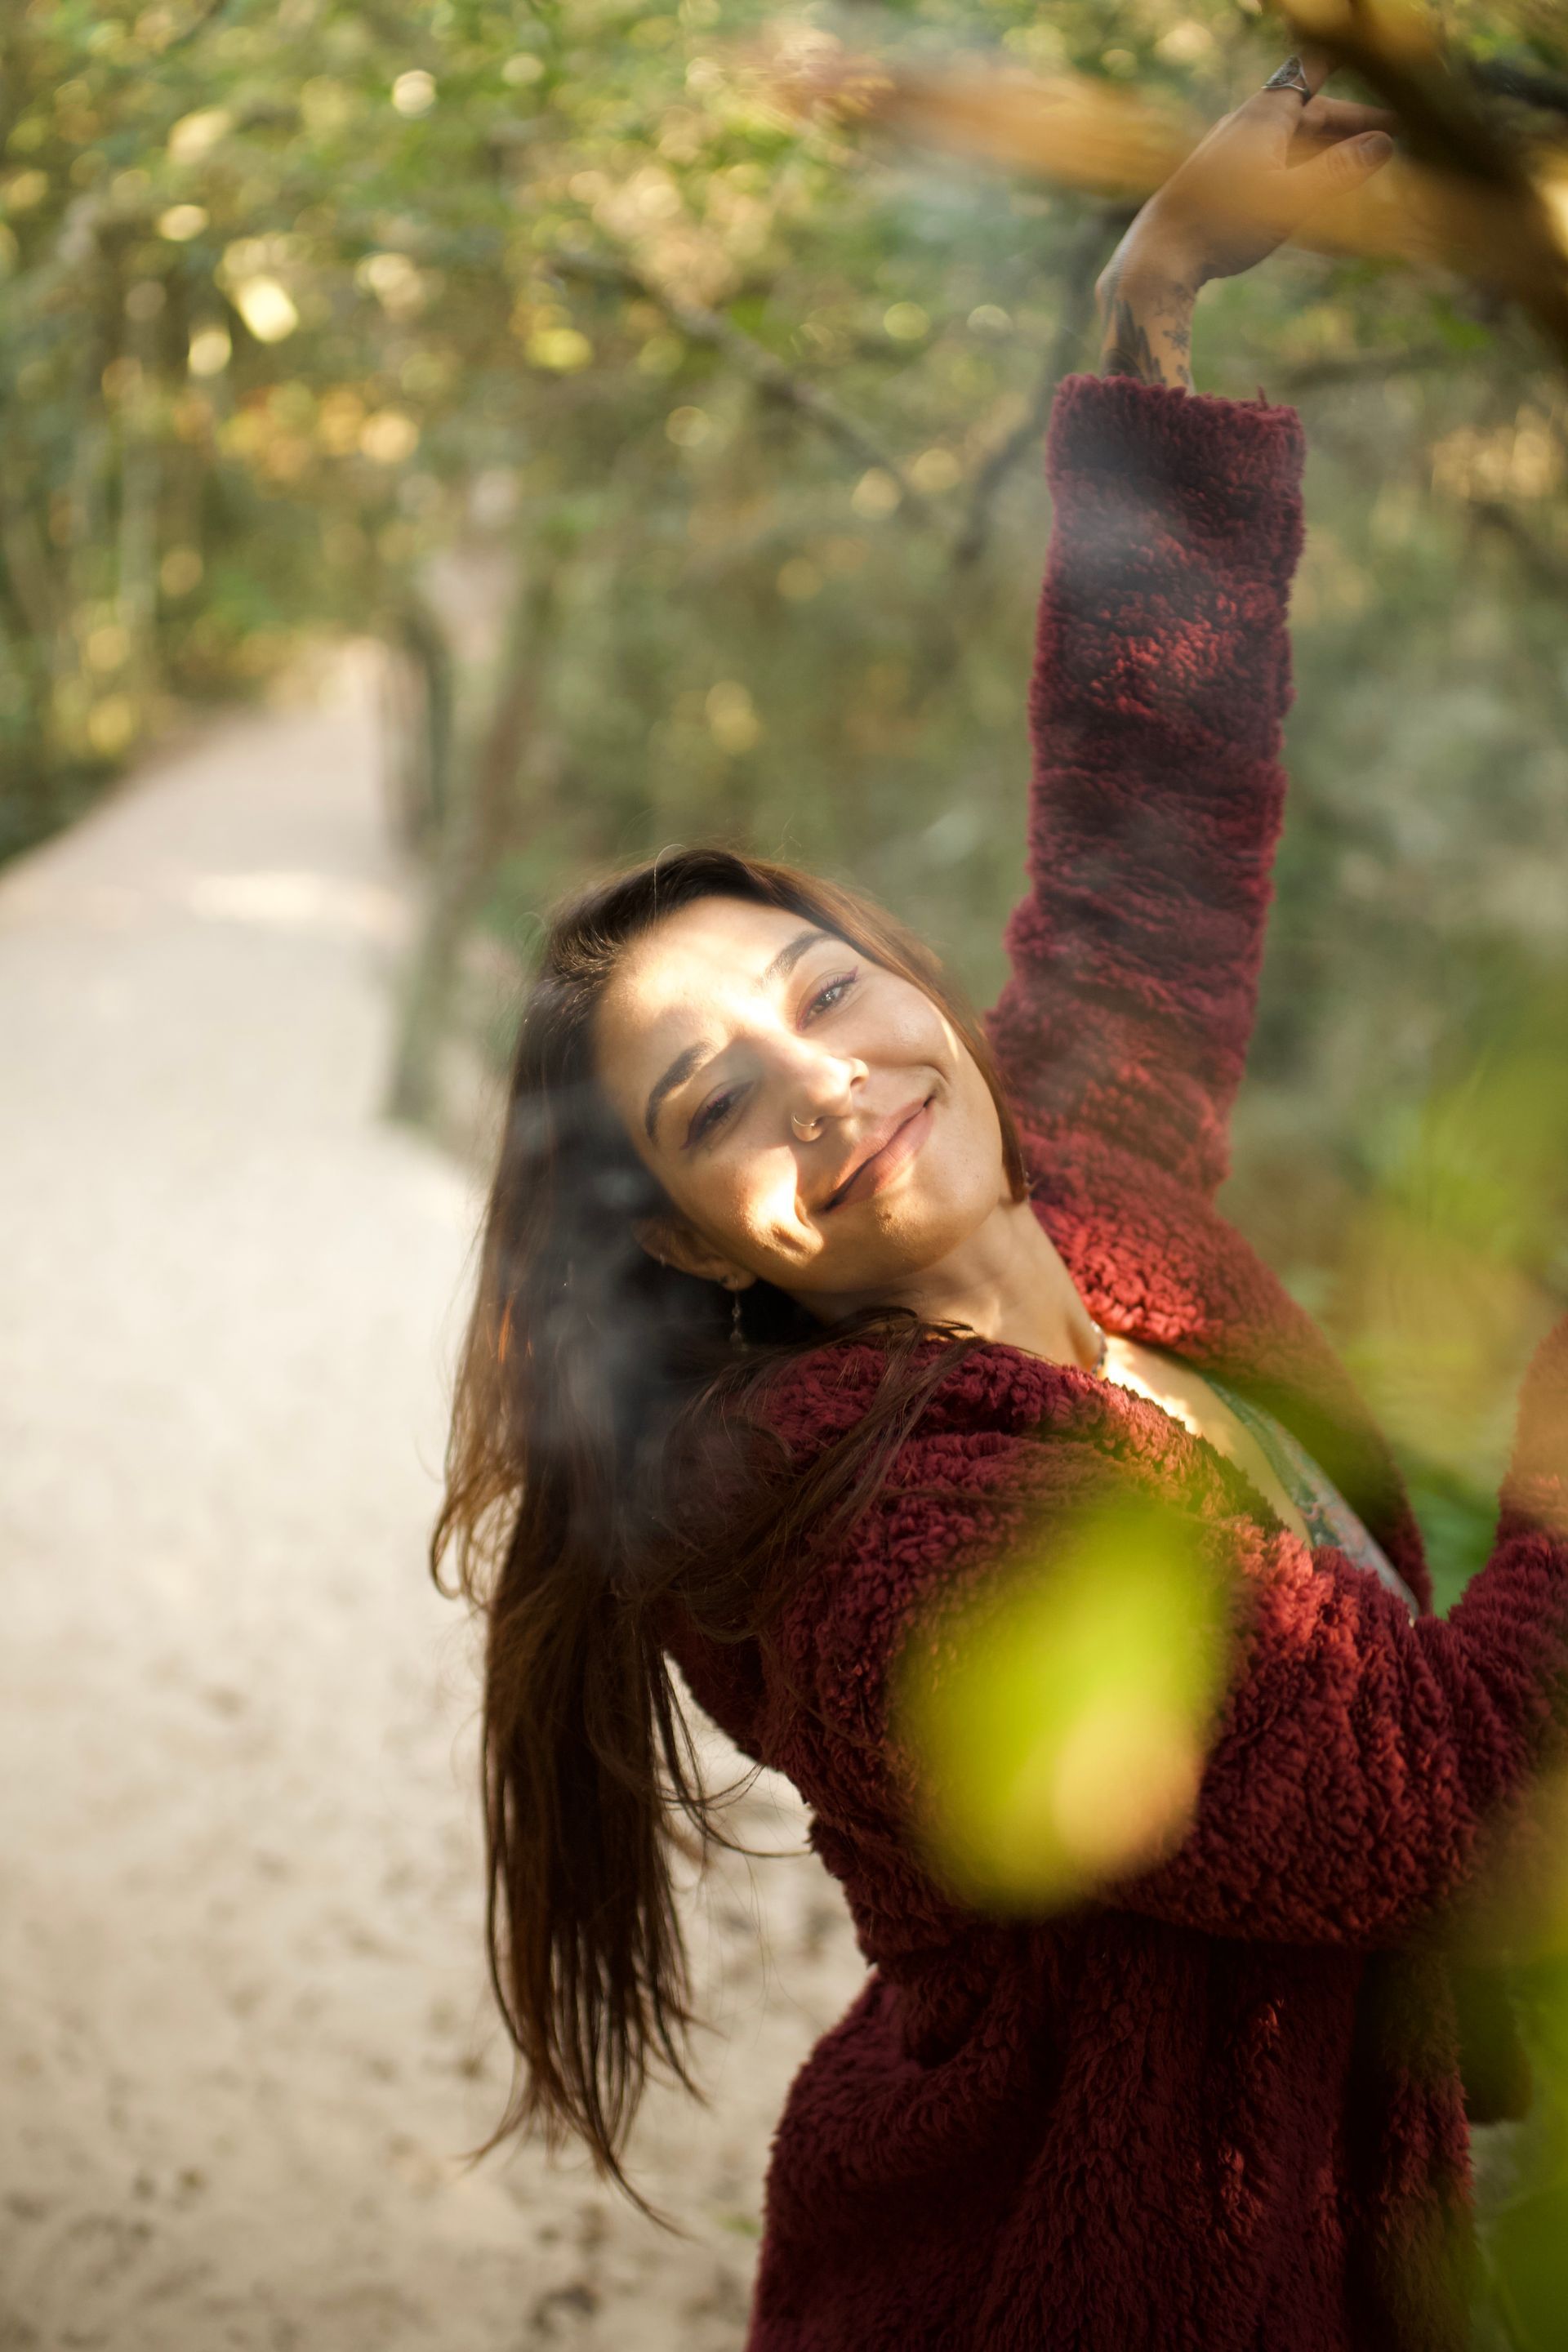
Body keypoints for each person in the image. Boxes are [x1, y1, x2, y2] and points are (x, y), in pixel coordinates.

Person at [434, 57, 1568, 2352]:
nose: (831, 1082)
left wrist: (1149, 310)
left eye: (826, 991)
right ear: (688, 1240)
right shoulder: (894, 1550)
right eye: (717, 1100)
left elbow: (1152, 813)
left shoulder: (1081, 1188)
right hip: (1117, 2268)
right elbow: (1416, 1800)